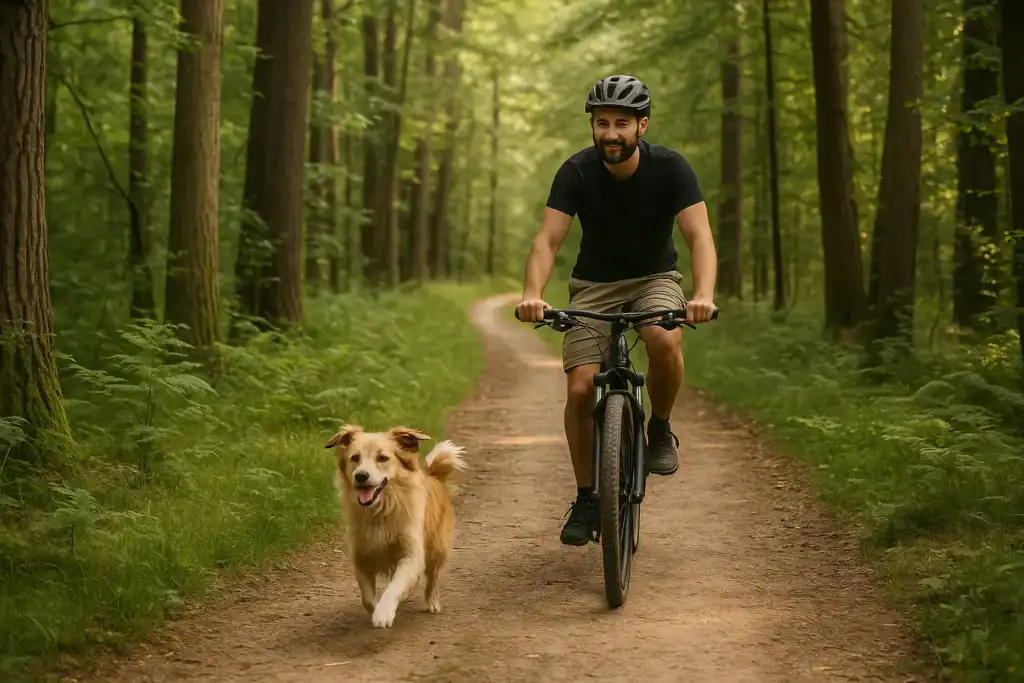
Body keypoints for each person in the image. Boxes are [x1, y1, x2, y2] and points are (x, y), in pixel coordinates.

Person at [514, 74, 719, 547]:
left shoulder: (671, 169)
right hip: (593, 288)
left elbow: (698, 235)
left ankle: (660, 428)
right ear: (593, 126)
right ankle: (587, 497)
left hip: (655, 280)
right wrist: (532, 293)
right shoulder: (576, 172)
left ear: (641, 126)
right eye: (602, 123)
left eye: (621, 123)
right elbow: (547, 239)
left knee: (664, 338)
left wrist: (702, 294)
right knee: (582, 385)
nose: (610, 133)